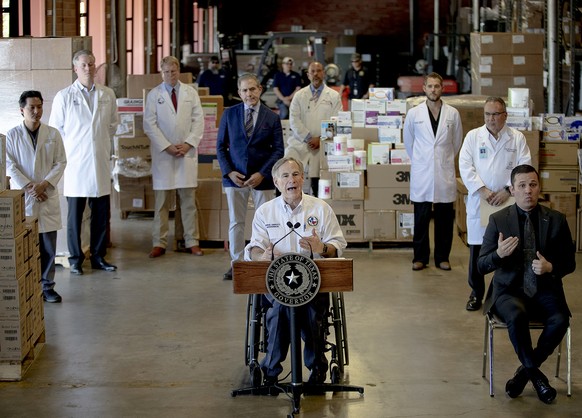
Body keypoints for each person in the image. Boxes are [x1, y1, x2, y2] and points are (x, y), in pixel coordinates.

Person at [244, 157, 347, 385]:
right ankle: (270, 371)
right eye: (286, 176)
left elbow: (338, 246)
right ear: (276, 182)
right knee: (280, 309)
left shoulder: (320, 208)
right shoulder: (265, 212)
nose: (292, 180)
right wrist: (261, 255)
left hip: (314, 284)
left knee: (311, 313)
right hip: (276, 284)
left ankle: (317, 369)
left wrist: (322, 248)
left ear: (303, 178)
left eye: (296, 174)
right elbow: (253, 248)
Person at [478, 164, 575, 404]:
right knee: (517, 316)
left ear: (539, 187)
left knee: (560, 319)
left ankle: (524, 374)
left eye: (532, 185)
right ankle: (537, 376)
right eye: (521, 186)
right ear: (512, 190)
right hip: (508, 292)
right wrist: (498, 254)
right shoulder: (498, 219)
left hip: (545, 290)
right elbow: (481, 265)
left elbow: (570, 263)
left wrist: (551, 267)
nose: (528, 191)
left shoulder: (556, 220)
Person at [49, 49, 119, 276]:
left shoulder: (107, 94)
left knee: (100, 214)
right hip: (76, 165)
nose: (88, 68)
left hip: (99, 162)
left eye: (91, 64)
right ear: (75, 69)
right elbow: (55, 132)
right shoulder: (64, 96)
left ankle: (98, 256)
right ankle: (76, 258)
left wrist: (100, 144)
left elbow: (113, 124)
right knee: (75, 218)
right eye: (83, 65)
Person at [459, 97, 531, 311]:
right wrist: (482, 190)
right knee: (477, 249)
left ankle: (506, 292)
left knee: (508, 248)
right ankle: (476, 293)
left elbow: (525, 166)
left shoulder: (517, 138)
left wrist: (508, 189)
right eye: (488, 114)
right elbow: (465, 165)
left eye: (496, 114)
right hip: (480, 199)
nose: (491, 119)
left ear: (505, 115)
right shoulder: (473, 137)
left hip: (507, 201)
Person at [216, 73, 285, 280]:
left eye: (253, 89)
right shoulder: (229, 115)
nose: (249, 94)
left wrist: (262, 173)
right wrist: (229, 171)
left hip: (262, 180)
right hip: (234, 178)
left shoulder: (271, 117)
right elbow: (220, 147)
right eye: (245, 90)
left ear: (260, 89)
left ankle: (263, 262)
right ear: (239, 93)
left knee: (266, 223)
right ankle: (237, 263)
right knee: (236, 222)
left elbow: (278, 151)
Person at [6, 90, 67, 303]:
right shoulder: (12, 136)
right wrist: (30, 187)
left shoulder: (53, 134)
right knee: (28, 247)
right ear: (21, 110)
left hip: (46, 195)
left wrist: (44, 185)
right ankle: (29, 287)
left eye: (39, 106)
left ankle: (48, 287)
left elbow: (61, 162)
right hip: (27, 197)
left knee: (49, 247)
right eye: (31, 107)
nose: (36, 111)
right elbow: (10, 165)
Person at [144, 56, 205, 258]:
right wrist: (167, 146)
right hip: (164, 155)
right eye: (166, 72)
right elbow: (149, 125)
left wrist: (188, 144)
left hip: (186, 153)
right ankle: (159, 242)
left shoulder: (190, 93)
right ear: (161, 73)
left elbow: (198, 121)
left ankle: (191, 241)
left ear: (179, 71)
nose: (170, 75)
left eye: (173, 71)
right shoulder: (154, 95)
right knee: (161, 203)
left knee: (187, 202)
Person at [403, 72, 463, 271]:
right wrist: (423, 160)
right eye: (430, 86)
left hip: (444, 172)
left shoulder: (452, 113)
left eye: (437, 86)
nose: (433, 90)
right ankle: (420, 258)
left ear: (442, 89)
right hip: (422, 172)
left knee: (445, 219)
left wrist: (442, 159)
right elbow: (409, 142)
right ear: (424, 88)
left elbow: (457, 142)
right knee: (421, 218)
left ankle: (442, 257)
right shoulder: (414, 113)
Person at [287, 61, 342, 198]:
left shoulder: (334, 96)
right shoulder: (299, 96)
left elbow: (337, 120)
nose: (316, 74)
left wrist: (321, 139)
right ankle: (287, 197)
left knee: (319, 173)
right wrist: (308, 138)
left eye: (319, 71)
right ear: (308, 74)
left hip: (323, 143)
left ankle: (318, 199)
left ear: (323, 73)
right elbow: (294, 120)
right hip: (301, 142)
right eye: (313, 71)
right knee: (287, 164)